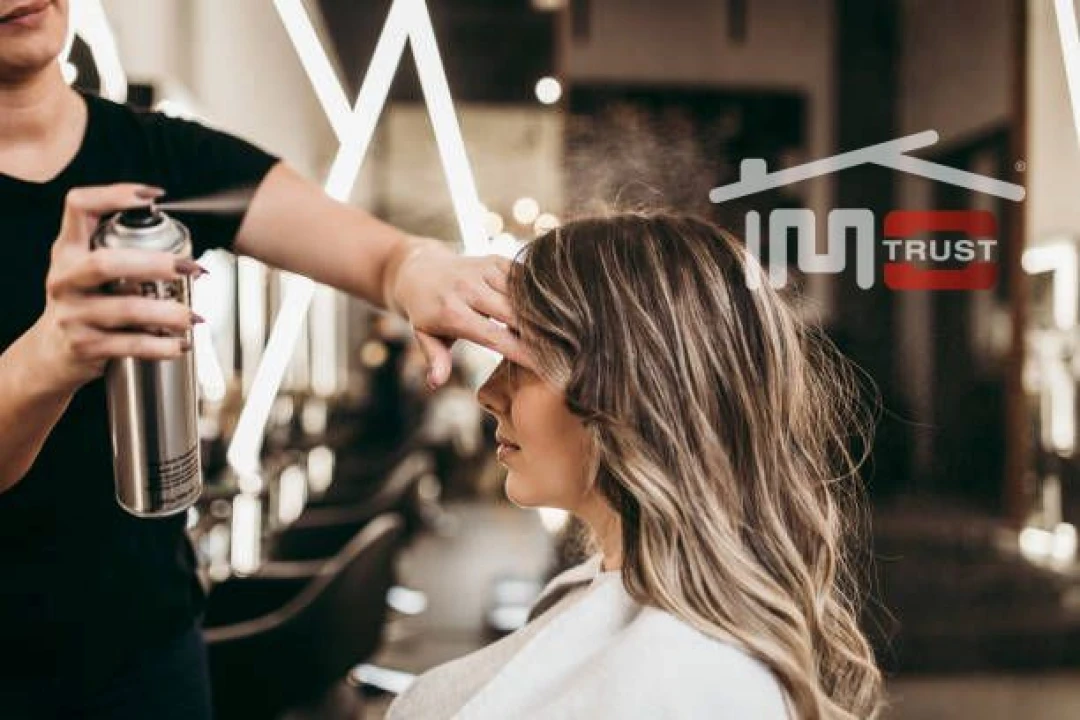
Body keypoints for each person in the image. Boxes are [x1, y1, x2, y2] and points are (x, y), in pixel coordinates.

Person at [0, 1, 524, 717]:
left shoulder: (165, 160)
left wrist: (416, 270)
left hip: (144, 655)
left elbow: (384, 256)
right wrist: (48, 358)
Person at [387, 213, 885, 720]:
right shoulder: (625, 616)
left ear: (635, 391)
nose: (488, 394)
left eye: (522, 357)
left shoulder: (683, 682)